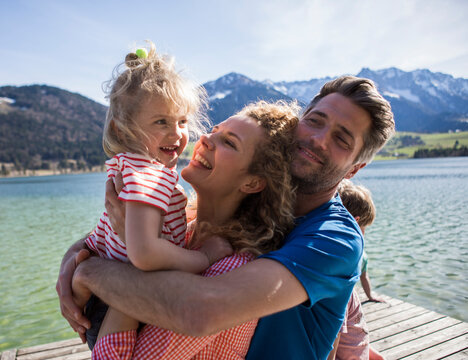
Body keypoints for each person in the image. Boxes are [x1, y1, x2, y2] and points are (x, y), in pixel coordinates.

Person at [56, 75, 395, 359]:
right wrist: (80, 250)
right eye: (315, 121)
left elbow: (201, 311)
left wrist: (91, 271)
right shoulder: (241, 212)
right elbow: (143, 233)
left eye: (340, 139)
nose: (318, 139)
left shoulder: (333, 238)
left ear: (355, 168)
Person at [88, 100, 299, 359]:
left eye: (230, 143)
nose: (207, 139)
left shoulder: (232, 266)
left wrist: (136, 253)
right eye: (214, 130)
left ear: (253, 182)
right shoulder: (184, 231)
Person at [74, 42, 233, 349]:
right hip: (121, 304)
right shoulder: (151, 174)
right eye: (161, 122)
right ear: (123, 131)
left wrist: (80, 266)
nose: (176, 134)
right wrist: (204, 257)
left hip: (104, 294)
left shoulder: (130, 166)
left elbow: (112, 233)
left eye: (182, 121)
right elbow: (144, 253)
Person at [328, 179, 385, 360]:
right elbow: (335, 334)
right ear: (355, 222)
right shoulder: (343, 283)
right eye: (364, 229)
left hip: (357, 346)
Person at [338, 179, 385, 303]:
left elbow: (364, 276)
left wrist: (370, 296)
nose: (363, 234)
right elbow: (364, 276)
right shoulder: (357, 254)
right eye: (363, 228)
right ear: (356, 220)